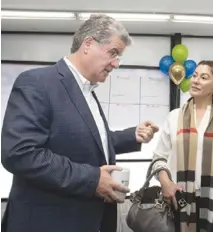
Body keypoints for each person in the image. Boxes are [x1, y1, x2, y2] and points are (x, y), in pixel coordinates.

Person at [1, 14, 159, 232]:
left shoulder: (88, 92)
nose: (116, 64)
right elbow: (19, 153)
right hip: (50, 222)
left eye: (119, 57)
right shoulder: (37, 83)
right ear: (88, 44)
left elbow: (90, 140)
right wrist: (92, 179)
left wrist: (134, 135)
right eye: (113, 53)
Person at [151, 60, 213, 232]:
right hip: (178, 198)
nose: (195, 81)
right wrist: (165, 183)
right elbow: (158, 158)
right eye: (194, 75)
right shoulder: (175, 117)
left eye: (204, 77)